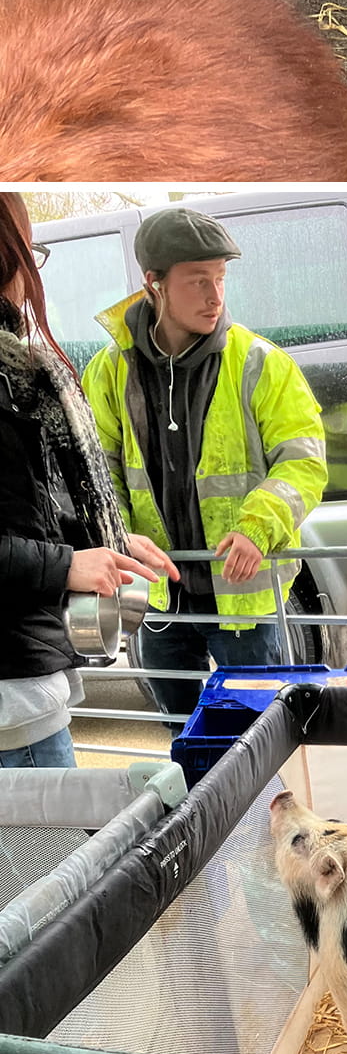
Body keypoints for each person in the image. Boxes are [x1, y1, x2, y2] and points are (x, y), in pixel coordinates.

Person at [80, 207, 329, 722]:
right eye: (198, 282)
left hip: (245, 603)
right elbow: (95, 472)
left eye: (220, 279)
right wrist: (119, 536)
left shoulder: (261, 362)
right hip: (161, 603)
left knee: (260, 742)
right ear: (154, 285)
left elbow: (304, 463)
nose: (216, 296)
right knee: (182, 741)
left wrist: (257, 528)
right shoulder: (107, 372)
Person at [0, 193, 178, 769]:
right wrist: (68, 565)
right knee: (53, 856)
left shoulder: (15, 375)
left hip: (23, 676)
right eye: (32, 253)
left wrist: (103, 540)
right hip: (10, 690)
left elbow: (17, 514)